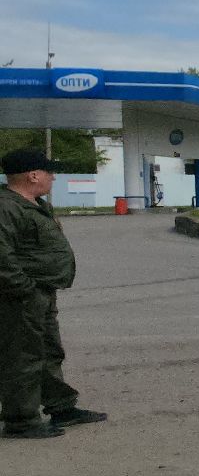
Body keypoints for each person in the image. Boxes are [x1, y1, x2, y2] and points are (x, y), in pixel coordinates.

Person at [0, 149, 107, 440]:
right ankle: (21, 420)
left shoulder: (35, 204)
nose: (54, 177)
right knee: (23, 356)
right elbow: (2, 256)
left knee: (48, 351)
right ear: (33, 175)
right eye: (49, 172)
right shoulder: (6, 207)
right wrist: (23, 288)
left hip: (42, 292)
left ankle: (61, 406)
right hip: (21, 296)